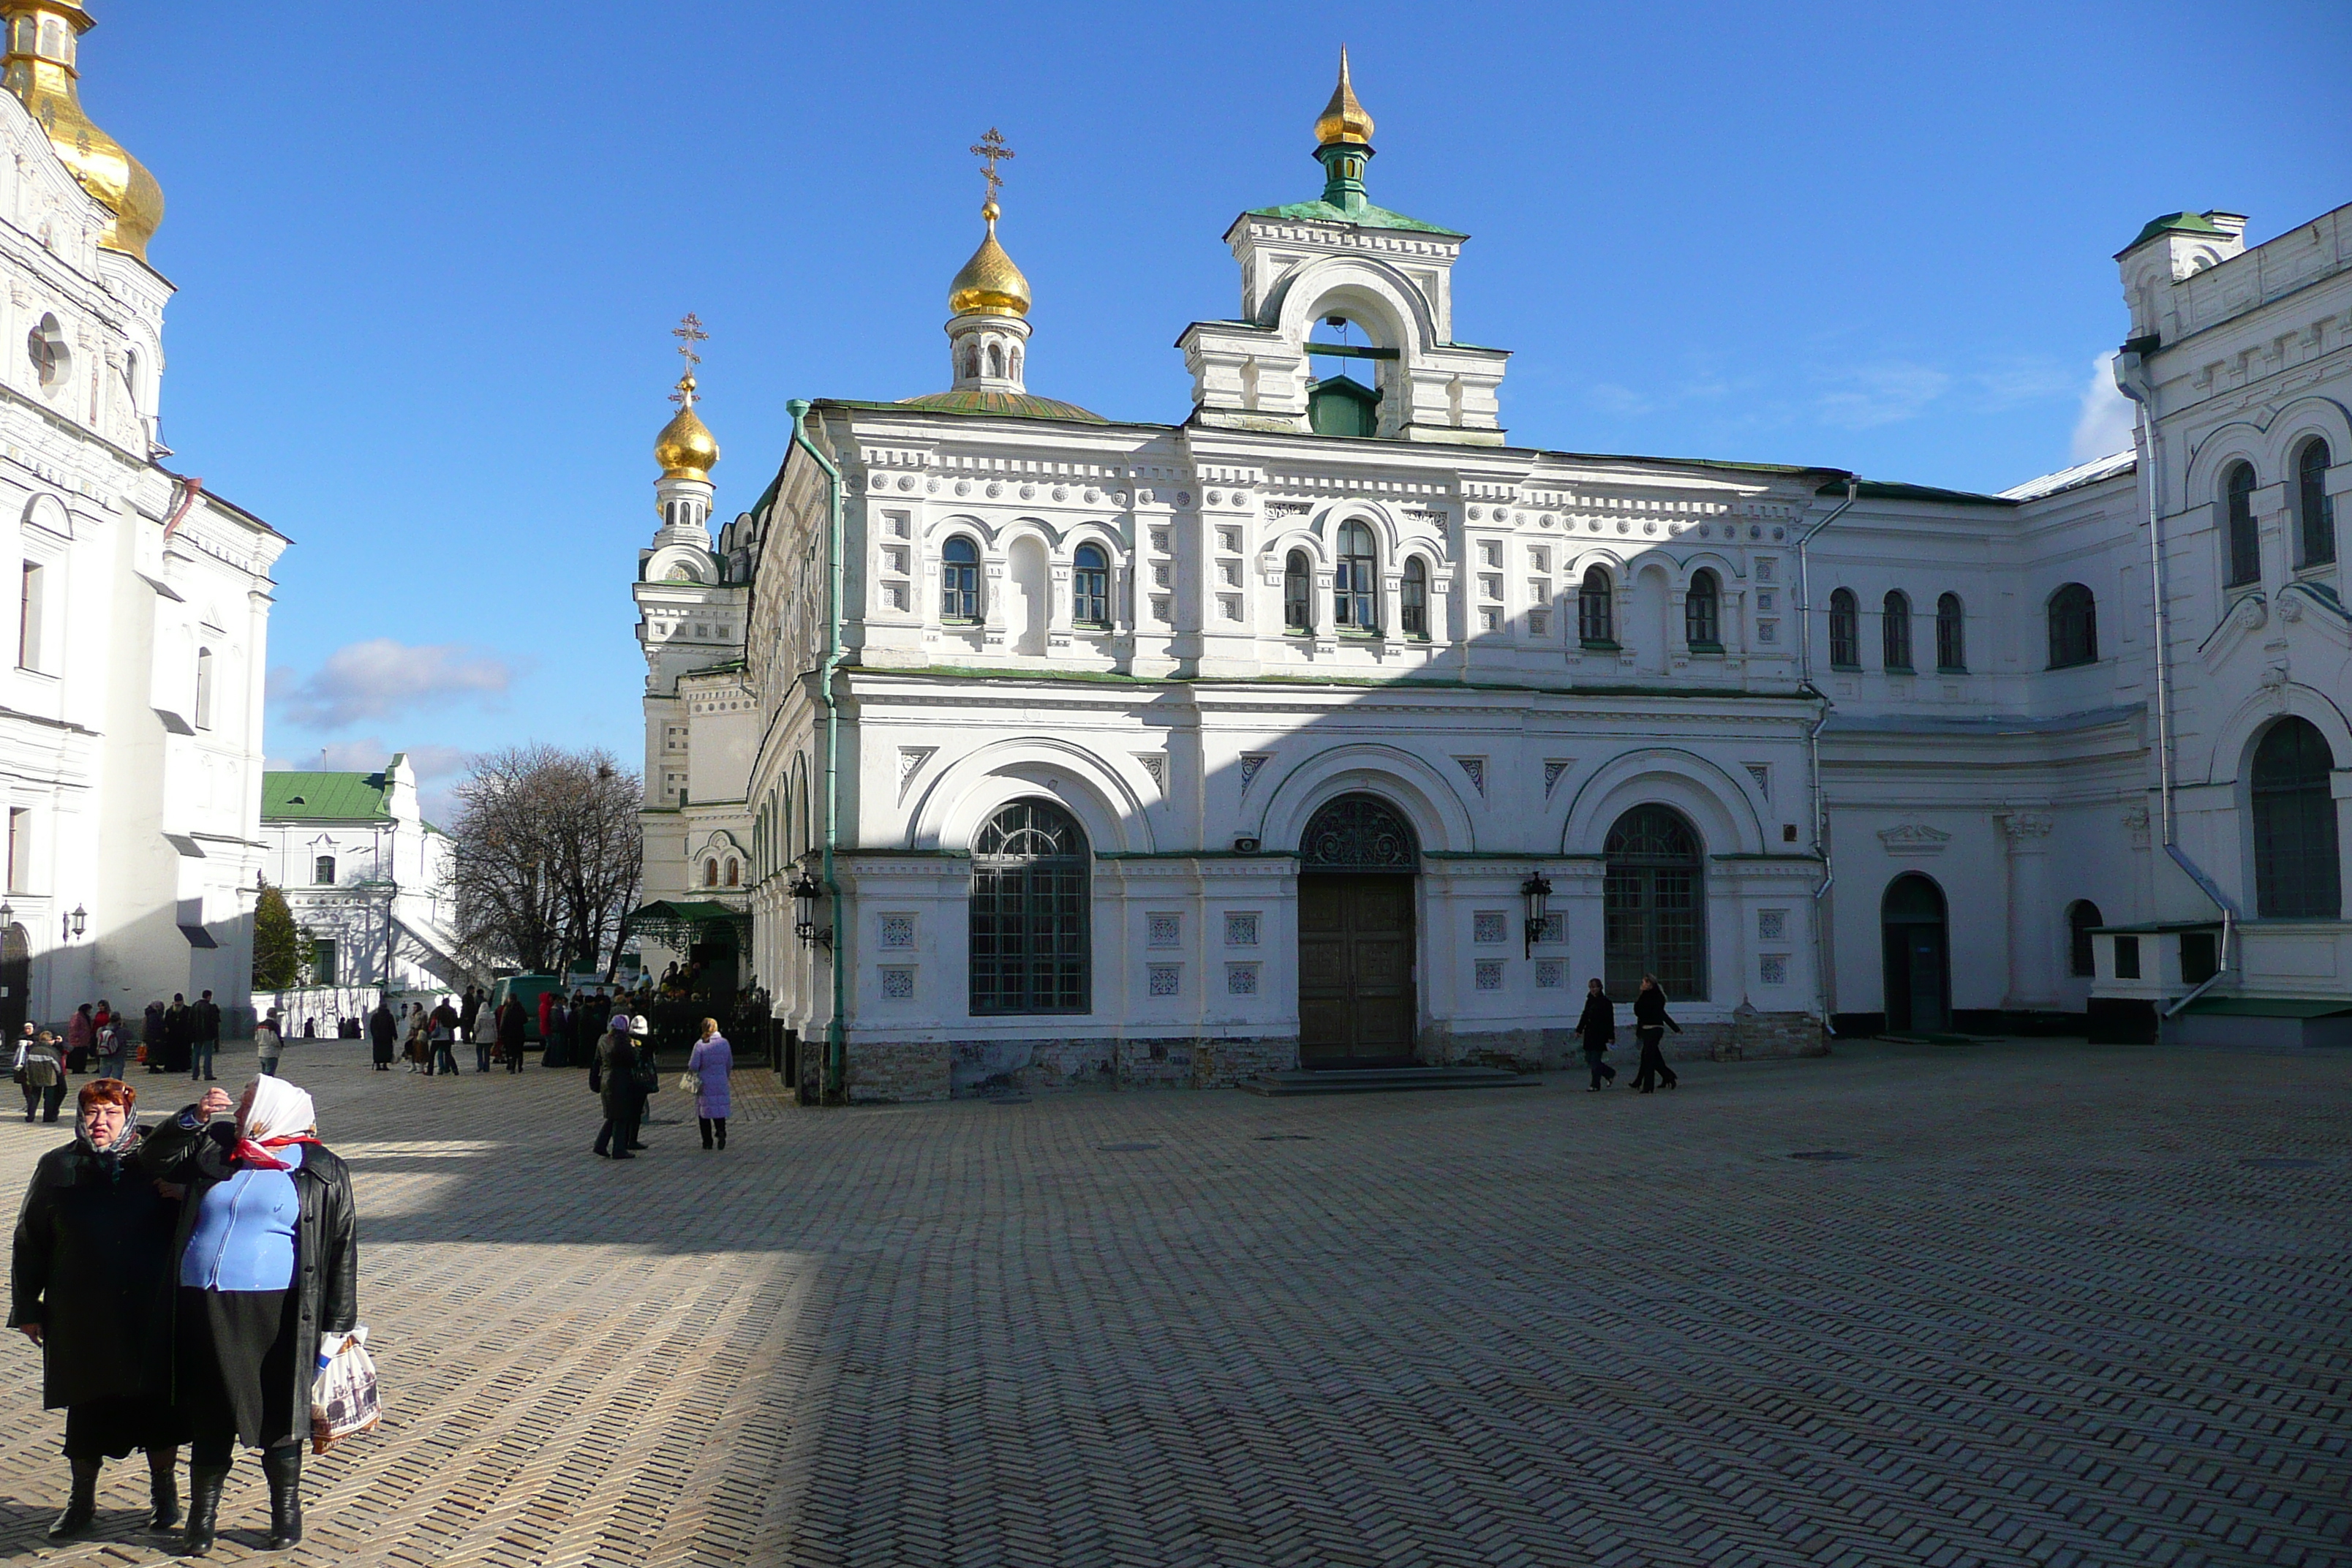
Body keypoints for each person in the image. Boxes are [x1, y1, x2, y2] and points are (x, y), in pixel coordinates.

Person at [143, 1077, 356, 1555]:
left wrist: (339, 1327)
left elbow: (341, 1250)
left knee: (278, 1414)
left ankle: (286, 1512)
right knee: (209, 1415)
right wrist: (193, 1119)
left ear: (273, 1110)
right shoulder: (217, 1149)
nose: (237, 1114)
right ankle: (202, 1519)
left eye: (246, 1105)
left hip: (276, 1312)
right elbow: (153, 1160)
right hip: (204, 1305)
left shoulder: (320, 1167)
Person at [10, 1079, 186, 1540]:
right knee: (87, 1409)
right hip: (83, 1313)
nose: (101, 1122)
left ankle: (164, 1494)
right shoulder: (59, 1165)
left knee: (157, 1408)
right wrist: (27, 1305)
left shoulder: (156, 1161)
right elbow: (30, 1238)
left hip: (150, 1309)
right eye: (92, 1113)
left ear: (128, 1115)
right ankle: (81, 1501)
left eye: (111, 1112)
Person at [591, 1014, 644, 1158]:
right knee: (621, 1116)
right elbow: (633, 1060)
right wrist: (634, 1048)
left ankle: (601, 1145)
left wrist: (594, 1081)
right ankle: (618, 1149)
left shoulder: (603, 1039)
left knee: (613, 1115)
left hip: (607, 1080)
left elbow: (597, 1061)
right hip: (621, 1080)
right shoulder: (623, 1040)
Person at [687, 1017, 734, 1150]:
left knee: (704, 1112)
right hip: (721, 1080)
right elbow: (729, 1062)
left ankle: (707, 1141)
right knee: (719, 1109)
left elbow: (694, 1065)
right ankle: (721, 1131)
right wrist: (725, 1075)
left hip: (704, 1082)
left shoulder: (700, 1044)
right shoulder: (724, 1043)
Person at [1629, 974, 1681, 1093]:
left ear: (1650, 985)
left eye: (1644, 983)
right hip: (1645, 1029)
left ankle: (1648, 1086)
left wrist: (1675, 1028)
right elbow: (1639, 1013)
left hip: (1655, 1029)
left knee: (1648, 1057)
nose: (1641, 985)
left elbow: (1660, 1014)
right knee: (1651, 1057)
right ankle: (1668, 1076)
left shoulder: (1657, 997)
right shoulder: (1643, 997)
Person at [1575, 979, 1618, 1091]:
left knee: (1595, 1060)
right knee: (1589, 1059)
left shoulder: (1605, 1002)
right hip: (1589, 1034)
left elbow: (1610, 1020)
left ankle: (1595, 1084)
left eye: (1595, 987)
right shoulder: (1589, 1000)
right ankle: (1609, 1072)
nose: (1593, 990)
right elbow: (1585, 1015)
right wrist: (1579, 1029)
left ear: (1600, 988)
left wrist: (1611, 1036)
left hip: (1600, 1034)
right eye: (1591, 988)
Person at [20, 1028, 67, 1122]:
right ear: (49, 1040)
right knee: (49, 1097)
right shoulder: (51, 1051)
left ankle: (30, 1116)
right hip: (49, 1077)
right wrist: (59, 1074)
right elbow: (56, 1065)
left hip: (34, 1076)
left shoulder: (33, 1050)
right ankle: (47, 1117)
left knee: (34, 1096)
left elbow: (27, 1063)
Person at [190, 990, 222, 1083]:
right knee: (208, 1054)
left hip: (196, 1034)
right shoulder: (211, 1007)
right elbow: (215, 1022)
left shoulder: (195, 1006)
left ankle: (195, 1074)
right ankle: (208, 1074)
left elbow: (190, 1020)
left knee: (196, 1053)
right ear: (209, 997)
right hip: (208, 1034)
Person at [429, 997, 460, 1077]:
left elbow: (431, 1025)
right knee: (448, 1053)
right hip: (447, 1036)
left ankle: (433, 1070)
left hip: (437, 1037)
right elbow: (456, 1022)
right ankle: (454, 1069)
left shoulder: (436, 1013)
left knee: (433, 1054)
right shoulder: (451, 1012)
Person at [97, 1013, 129, 1082]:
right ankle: (115, 1090)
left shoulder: (101, 1029)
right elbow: (130, 1036)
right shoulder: (122, 1030)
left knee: (104, 1075)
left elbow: (98, 1038)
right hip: (118, 1054)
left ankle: (103, 1089)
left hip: (104, 1054)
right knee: (117, 1075)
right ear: (119, 1020)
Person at [498, 996, 527, 1073]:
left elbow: (503, 1022)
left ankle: (512, 1068)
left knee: (511, 1051)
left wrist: (501, 1032)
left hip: (509, 1033)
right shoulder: (520, 1008)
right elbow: (525, 1020)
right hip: (520, 1032)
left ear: (509, 999)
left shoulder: (507, 1009)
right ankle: (520, 1067)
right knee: (519, 1051)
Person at [366, 1001, 397, 1071]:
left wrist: (374, 1035)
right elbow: (392, 1027)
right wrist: (395, 1035)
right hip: (387, 1037)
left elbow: (372, 1027)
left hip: (378, 1038)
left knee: (378, 1051)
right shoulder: (389, 1016)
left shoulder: (375, 1016)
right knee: (386, 1051)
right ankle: (385, 1064)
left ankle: (378, 1065)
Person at [65, 1003, 94, 1074]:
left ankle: (81, 1068)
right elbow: (74, 1027)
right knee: (78, 1055)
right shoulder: (77, 1016)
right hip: (78, 1039)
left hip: (84, 1039)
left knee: (83, 1054)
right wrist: (76, 1036)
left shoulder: (84, 1016)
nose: (90, 1011)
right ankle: (77, 1069)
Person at [254, 1010, 283, 1079]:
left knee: (264, 1073)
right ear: (274, 1015)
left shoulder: (259, 1025)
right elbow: (275, 1040)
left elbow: (256, 1038)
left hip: (261, 1052)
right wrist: (280, 1046)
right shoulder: (274, 1025)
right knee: (269, 1075)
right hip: (271, 1052)